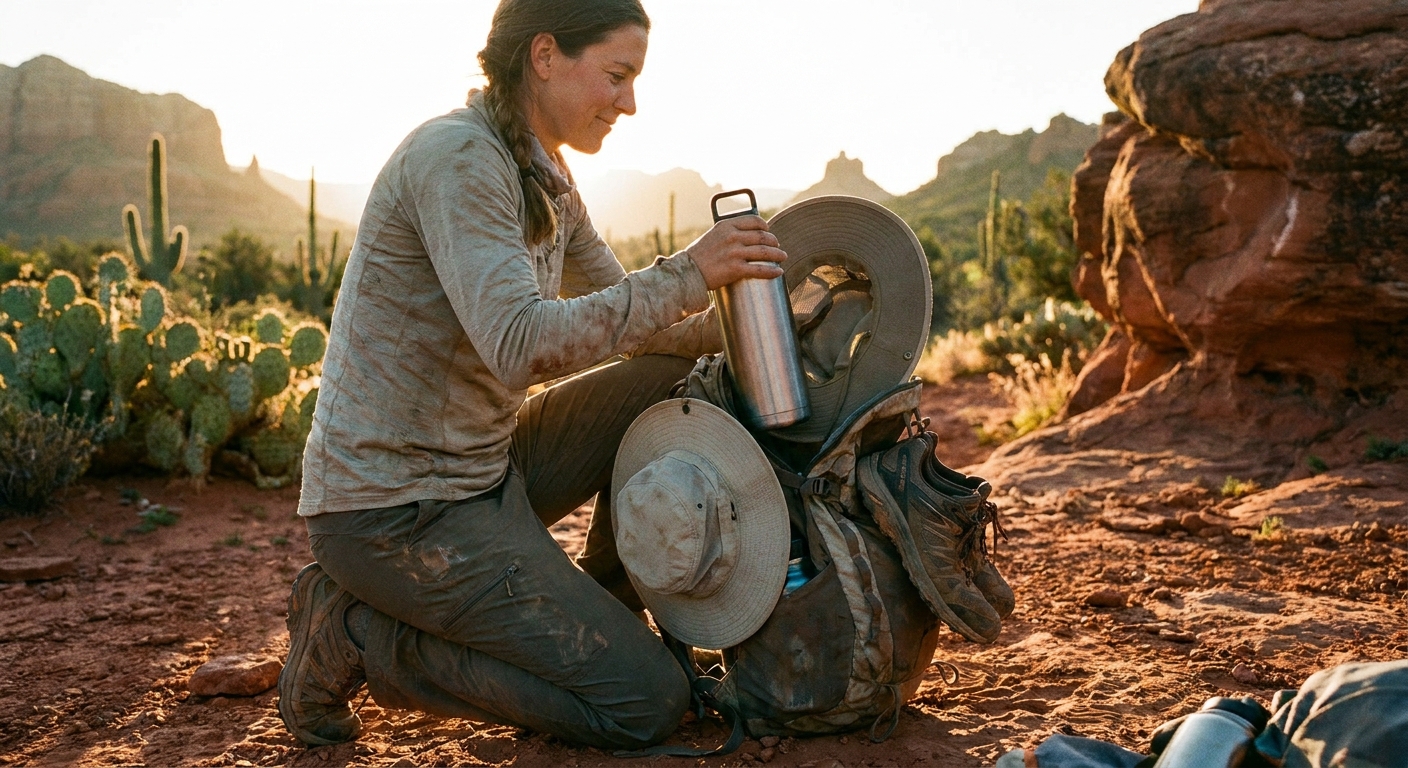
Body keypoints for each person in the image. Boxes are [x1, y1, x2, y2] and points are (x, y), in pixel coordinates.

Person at [276, 0, 788, 751]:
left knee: (663, 377)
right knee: (645, 706)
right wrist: (689, 270)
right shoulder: (459, 158)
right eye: (616, 75)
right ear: (544, 55)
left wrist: (774, 318)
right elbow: (520, 344)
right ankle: (357, 632)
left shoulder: (545, 172)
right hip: (394, 513)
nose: (631, 102)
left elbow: (641, 327)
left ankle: (615, 601)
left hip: (484, 472)